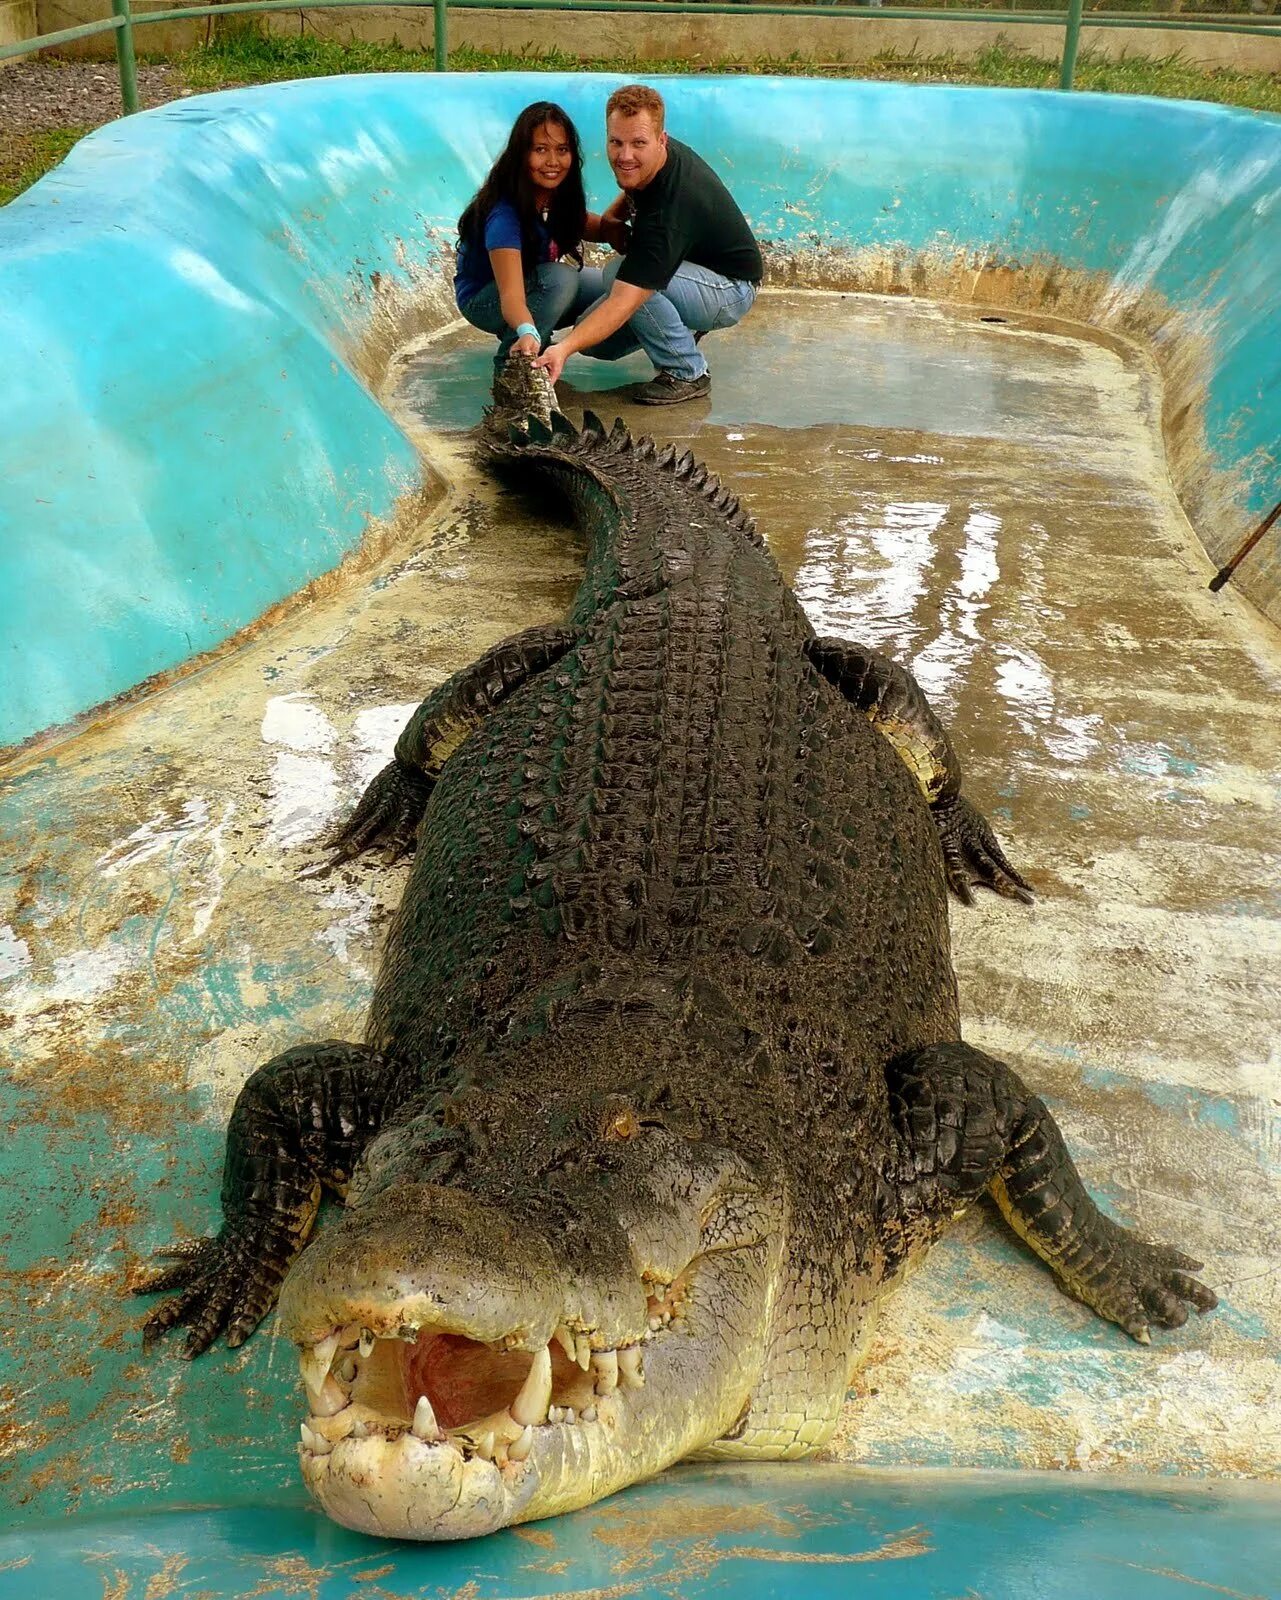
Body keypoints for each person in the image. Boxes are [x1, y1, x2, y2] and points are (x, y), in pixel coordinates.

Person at [534, 84, 763, 406]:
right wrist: (613, 217)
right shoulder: (655, 160)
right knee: (596, 342)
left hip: (728, 289)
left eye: (638, 144)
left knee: (618, 276)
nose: (625, 155)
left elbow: (626, 299)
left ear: (661, 140)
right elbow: (635, 183)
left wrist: (562, 349)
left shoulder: (670, 211)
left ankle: (687, 372)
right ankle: (681, 326)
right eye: (616, 142)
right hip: (688, 273)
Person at [454, 102, 604, 370]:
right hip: (486, 300)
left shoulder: (554, 198)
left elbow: (595, 226)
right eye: (540, 150)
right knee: (560, 279)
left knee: (613, 285)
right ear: (521, 155)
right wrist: (526, 330)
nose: (553, 162)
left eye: (562, 150)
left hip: (532, 286)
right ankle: (514, 366)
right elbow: (511, 295)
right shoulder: (504, 215)